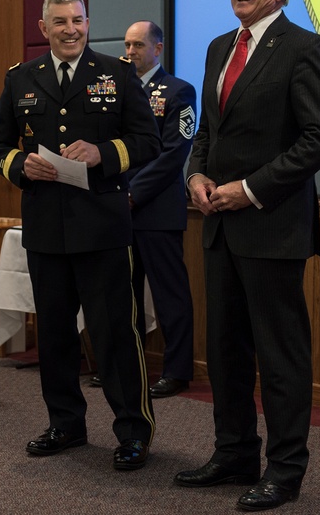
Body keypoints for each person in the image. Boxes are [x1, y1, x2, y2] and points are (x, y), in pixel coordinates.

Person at [175, 0, 320, 511]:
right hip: (218, 228)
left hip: (272, 228)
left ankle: (286, 470)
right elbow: (209, 132)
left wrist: (249, 190)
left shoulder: (304, 49)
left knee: (280, 356)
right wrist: (195, 175)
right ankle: (235, 453)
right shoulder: (220, 47)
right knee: (223, 352)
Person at [0, 0, 160, 471]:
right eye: (59, 22)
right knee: (56, 337)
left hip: (102, 228)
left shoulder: (117, 74)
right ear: (43, 28)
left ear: (88, 23)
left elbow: (149, 140)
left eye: (78, 20)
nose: (70, 29)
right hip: (45, 228)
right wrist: (20, 164)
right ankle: (66, 424)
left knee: (114, 337)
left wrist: (104, 153)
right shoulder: (21, 78)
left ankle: (133, 432)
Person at [124, 20, 197, 398]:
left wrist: (134, 192)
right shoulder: (117, 89)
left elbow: (175, 153)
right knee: (125, 294)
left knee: (170, 294)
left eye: (138, 45)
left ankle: (177, 370)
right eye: (127, 45)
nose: (131, 51)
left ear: (158, 48)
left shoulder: (178, 91)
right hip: (120, 209)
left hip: (156, 209)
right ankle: (125, 365)